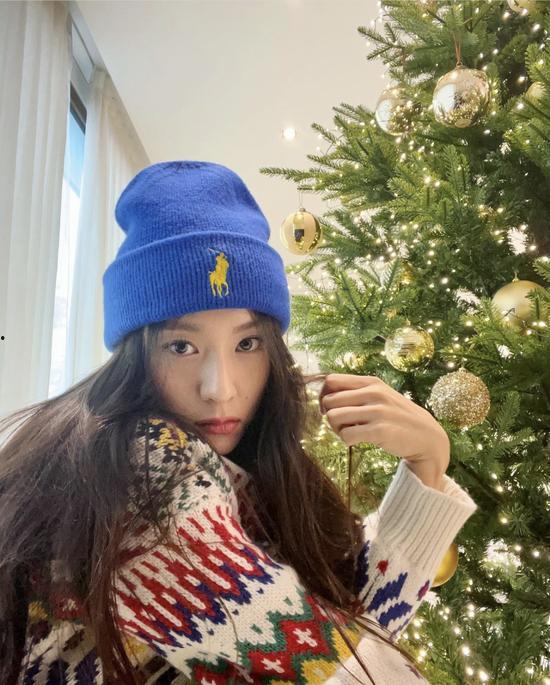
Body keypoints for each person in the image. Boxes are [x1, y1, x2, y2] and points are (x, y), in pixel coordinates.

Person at [0, 161, 478, 685]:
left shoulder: (243, 482)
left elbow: (355, 639)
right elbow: (350, 672)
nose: (220, 387)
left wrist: (428, 462)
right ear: (135, 355)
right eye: (181, 346)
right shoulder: (146, 467)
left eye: (247, 343)